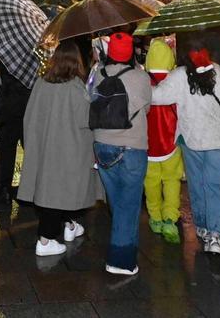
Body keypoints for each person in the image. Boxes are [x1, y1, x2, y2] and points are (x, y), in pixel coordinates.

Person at [17, 41, 101, 257]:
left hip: (45, 147)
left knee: (55, 189)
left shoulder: (41, 83)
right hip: (69, 150)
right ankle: (45, 240)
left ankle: (71, 226)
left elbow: (30, 116)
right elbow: (86, 119)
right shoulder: (76, 87)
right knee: (60, 192)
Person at [155, 46, 220, 255]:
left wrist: (152, 79)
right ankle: (215, 236)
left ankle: (201, 227)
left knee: (197, 184)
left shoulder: (180, 74)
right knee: (216, 187)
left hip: (194, 140)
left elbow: (158, 97)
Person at [90, 31, 152, 276]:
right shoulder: (140, 77)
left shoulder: (98, 74)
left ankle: (126, 242)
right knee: (128, 204)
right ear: (130, 53)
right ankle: (121, 260)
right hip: (132, 147)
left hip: (102, 145)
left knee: (118, 202)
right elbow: (146, 108)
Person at [143, 36, 183, 243]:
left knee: (150, 183)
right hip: (171, 145)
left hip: (148, 147)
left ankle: (155, 218)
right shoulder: (175, 82)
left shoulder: (142, 83)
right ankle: (170, 217)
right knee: (171, 181)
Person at [0, 58, 30, 205]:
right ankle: (25, 192)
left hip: (12, 108)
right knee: (26, 150)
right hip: (26, 108)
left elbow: (8, 82)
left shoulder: (11, 56)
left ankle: (6, 189)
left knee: (8, 151)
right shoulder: (35, 55)